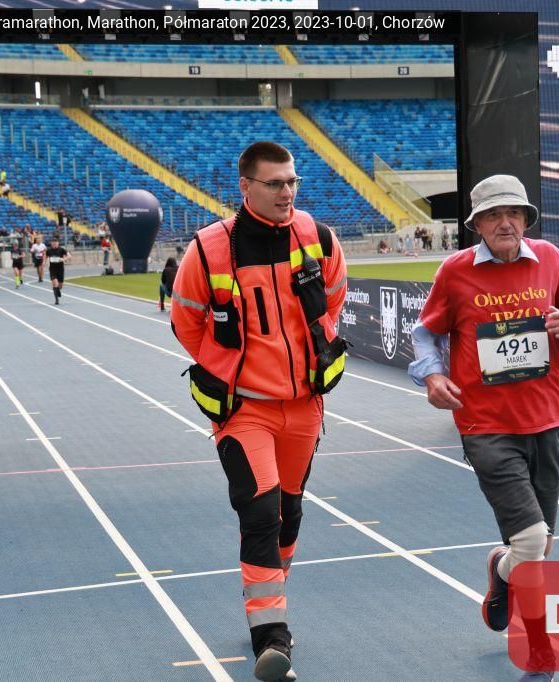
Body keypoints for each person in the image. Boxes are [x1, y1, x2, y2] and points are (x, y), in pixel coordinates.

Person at [170, 141, 348, 682]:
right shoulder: (209, 250)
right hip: (244, 412)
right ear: (245, 187)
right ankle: (272, 638)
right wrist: (231, 368)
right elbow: (185, 321)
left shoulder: (318, 238)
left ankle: (271, 594)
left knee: (289, 515)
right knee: (260, 513)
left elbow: (334, 299)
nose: (286, 192)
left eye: (292, 181)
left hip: (305, 407)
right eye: (275, 183)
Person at [409, 175, 559, 682]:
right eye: (494, 215)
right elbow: (425, 333)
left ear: (526, 219)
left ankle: (501, 567)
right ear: (477, 225)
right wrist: (432, 375)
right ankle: (539, 652)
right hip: (485, 424)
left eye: (513, 212)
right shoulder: (455, 271)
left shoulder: (550, 259)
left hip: (548, 417)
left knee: (537, 545)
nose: (505, 222)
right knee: (532, 539)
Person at [45, 235, 70, 304]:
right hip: (52, 269)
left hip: (60, 269)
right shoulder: (49, 250)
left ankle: (58, 290)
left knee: (60, 285)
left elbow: (69, 256)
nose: (54, 243)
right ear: (51, 243)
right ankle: (56, 299)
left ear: (58, 243)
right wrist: (45, 263)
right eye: (53, 242)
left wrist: (63, 259)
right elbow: (45, 257)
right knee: (55, 283)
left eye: (55, 242)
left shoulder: (62, 249)